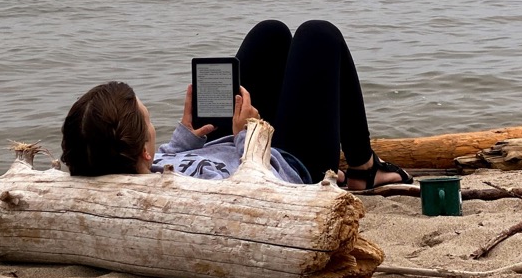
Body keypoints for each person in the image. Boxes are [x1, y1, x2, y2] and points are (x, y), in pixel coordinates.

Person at [61, 19, 412, 190]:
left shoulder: (141, 167)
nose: (153, 127)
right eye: (148, 120)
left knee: (270, 34)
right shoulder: (188, 191)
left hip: (230, 144)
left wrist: (187, 136)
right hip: (288, 163)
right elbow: (251, 188)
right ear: (143, 151)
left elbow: (166, 156)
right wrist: (248, 133)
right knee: (319, 35)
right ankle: (365, 169)